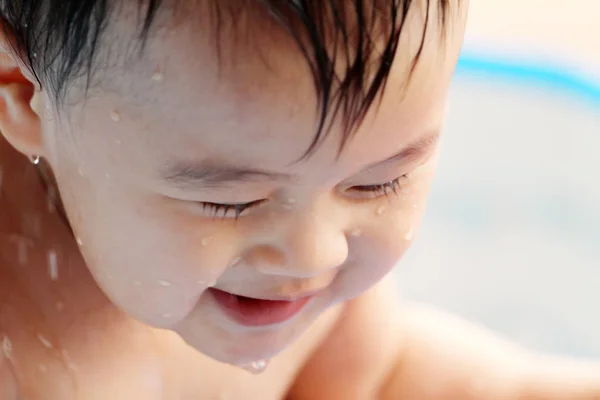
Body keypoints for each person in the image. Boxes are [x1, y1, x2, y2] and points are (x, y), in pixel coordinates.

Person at [0, 0, 598, 398]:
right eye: (232, 202)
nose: (313, 253)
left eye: (378, 182)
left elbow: (380, 377)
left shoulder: (294, 285)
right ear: (24, 95)